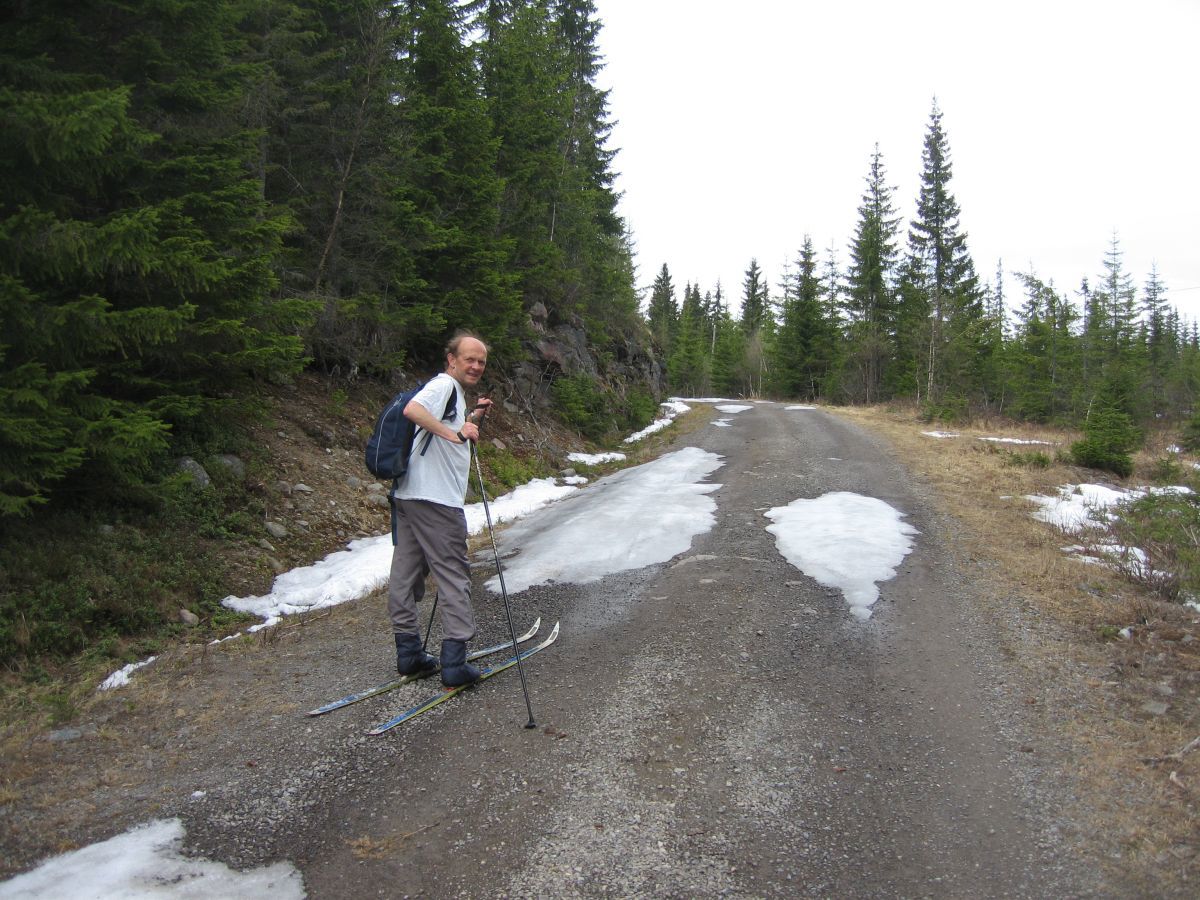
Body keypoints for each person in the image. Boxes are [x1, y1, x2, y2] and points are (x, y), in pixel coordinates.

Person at [387, 331, 493, 687]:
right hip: (437, 502)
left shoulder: (452, 393)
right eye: (469, 359)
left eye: (481, 361)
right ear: (451, 359)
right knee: (453, 576)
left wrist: (472, 417)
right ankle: (454, 663)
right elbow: (412, 410)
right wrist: (454, 434)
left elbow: (449, 431)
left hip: (409, 497)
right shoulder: (444, 385)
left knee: (406, 575)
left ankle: (410, 655)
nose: (476, 366)